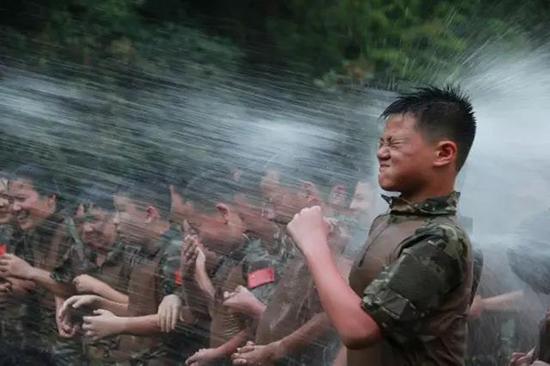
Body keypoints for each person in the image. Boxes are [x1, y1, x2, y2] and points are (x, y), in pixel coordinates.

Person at [287, 86, 476, 365]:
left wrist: (314, 244)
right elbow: (358, 333)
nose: (381, 153)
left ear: (444, 153)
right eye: (381, 143)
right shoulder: (386, 222)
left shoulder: (441, 237)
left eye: (395, 144)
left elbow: (360, 330)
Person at [61, 180, 184, 364]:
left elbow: (176, 320)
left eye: (122, 210)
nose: (116, 220)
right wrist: (99, 302)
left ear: (149, 214)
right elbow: (139, 311)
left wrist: (119, 325)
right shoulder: (138, 251)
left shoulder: (176, 251)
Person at [0, 164, 79, 362]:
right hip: (39, 343)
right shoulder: (32, 232)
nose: (14, 207)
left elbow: (76, 289)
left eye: (21, 199)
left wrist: (30, 272)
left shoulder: (72, 234)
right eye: (12, 200)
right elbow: (31, 287)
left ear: (50, 199)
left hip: (74, 346)